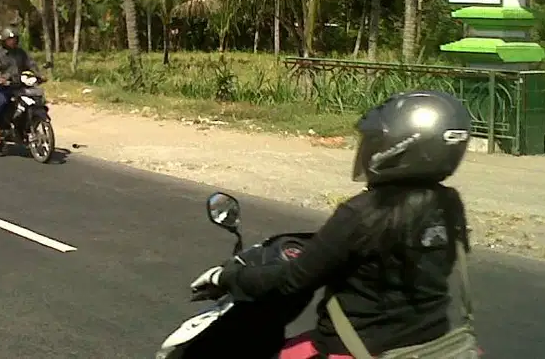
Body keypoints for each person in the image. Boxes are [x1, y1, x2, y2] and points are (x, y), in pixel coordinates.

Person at [190, 90, 473, 359]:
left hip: (355, 349)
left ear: (400, 147)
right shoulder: (449, 204)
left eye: (374, 140)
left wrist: (225, 277)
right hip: (434, 345)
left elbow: (292, 283)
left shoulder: (363, 212)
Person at [0, 26, 40, 144]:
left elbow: (31, 64)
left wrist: (39, 75)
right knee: (3, 102)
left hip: (18, 84)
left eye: (14, 39)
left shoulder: (20, 53)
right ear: (4, 41)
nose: (13, 41)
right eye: (10, 39)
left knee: (35, 98)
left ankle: (24, 126)